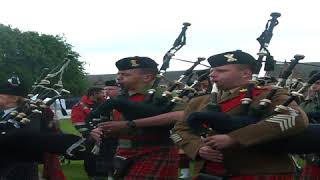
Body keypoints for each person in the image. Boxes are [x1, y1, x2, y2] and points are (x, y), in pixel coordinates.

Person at [171, 50, 308, 179]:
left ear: (245, 74)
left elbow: (295, 118)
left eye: (221, 71)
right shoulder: (199, 101)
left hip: (259, 170)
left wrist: (235, 138)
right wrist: (198, 147)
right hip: (209, 172)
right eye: (212, 70)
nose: (212, 74)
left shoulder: (269, 95)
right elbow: (178, 130)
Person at [90, 56, 183, 179]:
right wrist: (100, 130)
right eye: (118, 74)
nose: (119, 77)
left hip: (156, 150)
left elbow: (180, 115)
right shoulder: (118, 98)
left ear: (147, 77)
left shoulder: (165, 96)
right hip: (122, 151)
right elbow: (112, 122)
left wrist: (131, 124)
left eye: (126, 74)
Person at [0, 73, 88, 179]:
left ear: (14, 99)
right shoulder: (5, 114)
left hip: (19, 167)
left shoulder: (33, 116)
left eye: (1, 95)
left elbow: (30, 139)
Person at [300, 70, 320, 178]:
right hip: (311, 148)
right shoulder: (308, 99)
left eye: (318, 83)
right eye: (313, 82)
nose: (314, 85)